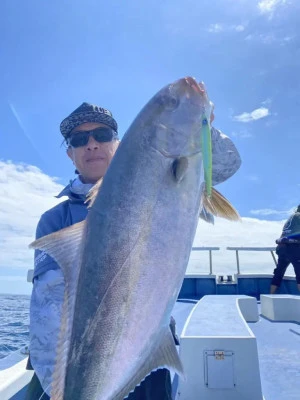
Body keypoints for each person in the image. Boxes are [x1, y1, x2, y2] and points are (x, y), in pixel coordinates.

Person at [26, 101, 241, 400]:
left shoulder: (165, 176)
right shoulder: (55, 220)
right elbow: (48, 311)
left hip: (148, 351)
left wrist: (199, 125)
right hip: (84, 374)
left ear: (117, 143)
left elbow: (227, 164)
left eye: (101, 134)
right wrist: (60, 390)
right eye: (79, 139)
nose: (91, 145)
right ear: (70, 154)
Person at [270, 205, 300, 294]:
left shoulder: (292, 217)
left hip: (281, 247)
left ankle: (270, 296)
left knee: (278, 274)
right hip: (293, 247)